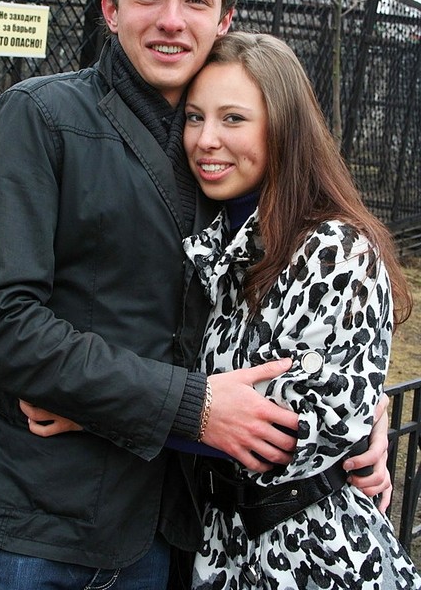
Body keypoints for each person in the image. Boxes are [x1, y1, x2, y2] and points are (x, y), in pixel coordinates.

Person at [0, 0, 390, 590]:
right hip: (31, 526)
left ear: (225, 19)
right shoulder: (40, 117)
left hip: (171, 531)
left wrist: (361, 417)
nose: (171, 19)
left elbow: (303, 310)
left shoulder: (228, 155)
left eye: (196, 0)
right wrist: (190, 408)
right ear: (111, 9)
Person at [179, 31, 418, 589]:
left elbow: (291, 425)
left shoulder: (333, 249)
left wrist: (106, 414)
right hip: (220, 544)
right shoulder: (215, 237)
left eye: (233, 119)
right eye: (194, 117)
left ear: (283, 128)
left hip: (308, 550)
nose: (206, 140)